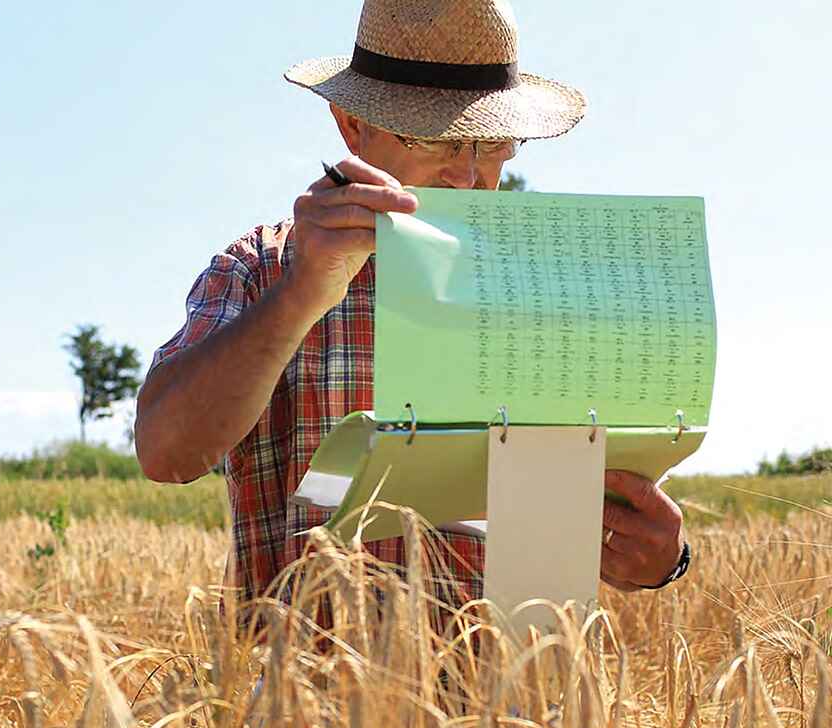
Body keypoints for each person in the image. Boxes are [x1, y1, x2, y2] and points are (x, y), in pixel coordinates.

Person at [135, 0, 689, 620]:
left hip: (519, 706)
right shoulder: (262, 269)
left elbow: (607, 513)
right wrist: (300, 295)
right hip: (314, 706)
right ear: (351, 126)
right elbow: (166, 453)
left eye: (494, 146)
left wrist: (658, 556)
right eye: (437, 139)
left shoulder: (549, 286)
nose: (469, 177)